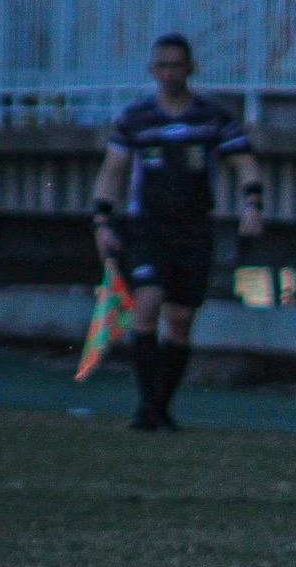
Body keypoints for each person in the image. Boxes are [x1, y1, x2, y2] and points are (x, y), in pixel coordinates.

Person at [89, 34, 264, 431]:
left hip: (194, 227)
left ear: (190, 68)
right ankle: (146, 406)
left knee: (181, 319)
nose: (169, 73)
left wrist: (252, 204)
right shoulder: (135, 119)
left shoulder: (211, 117)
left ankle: (160, 407)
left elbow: (244, 163)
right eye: (162, 66)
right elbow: (112, 172)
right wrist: (102, 222)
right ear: (153, 71)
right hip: (148, 226)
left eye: (176, 65)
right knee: (148, 304)